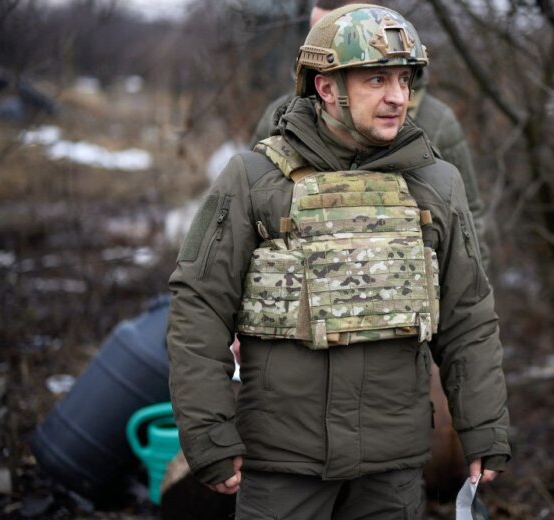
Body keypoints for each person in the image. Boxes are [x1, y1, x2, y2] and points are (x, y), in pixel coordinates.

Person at [167, 4, 510, 518]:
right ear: (327, 88)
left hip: (391, 470)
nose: (399, 96)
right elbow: (198, 309)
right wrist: (209, 432)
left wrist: (483, 428)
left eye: (403, 78)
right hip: (283, 462)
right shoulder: (255, 179)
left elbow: (469, 318)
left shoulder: (437, 185)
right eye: (377, 79)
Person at [251, 0, 491, 270]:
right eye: (318, 30)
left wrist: (473, 275)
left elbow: (468, 221)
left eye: (341, 29)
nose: (396, 99)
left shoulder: (437, 123)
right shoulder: (284, 119)